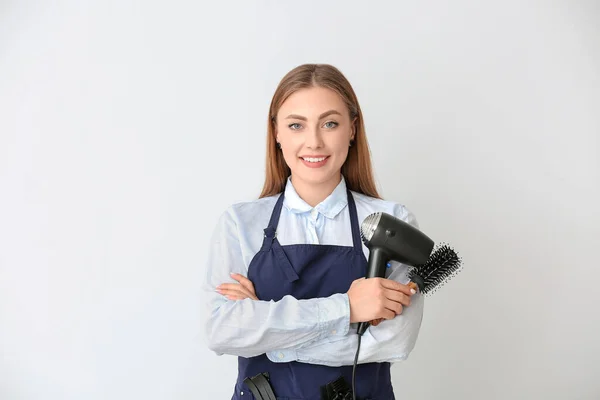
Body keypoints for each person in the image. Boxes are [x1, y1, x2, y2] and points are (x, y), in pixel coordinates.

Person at [203, 63, 424, 400]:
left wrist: (267, 332)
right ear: (276, 132)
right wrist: (347, 309)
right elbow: (222, 330)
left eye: (330, 123)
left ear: (352, 129)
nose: (314, 142)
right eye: (296, 125)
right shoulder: (240, 223)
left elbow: (394, 342)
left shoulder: (392, 222)